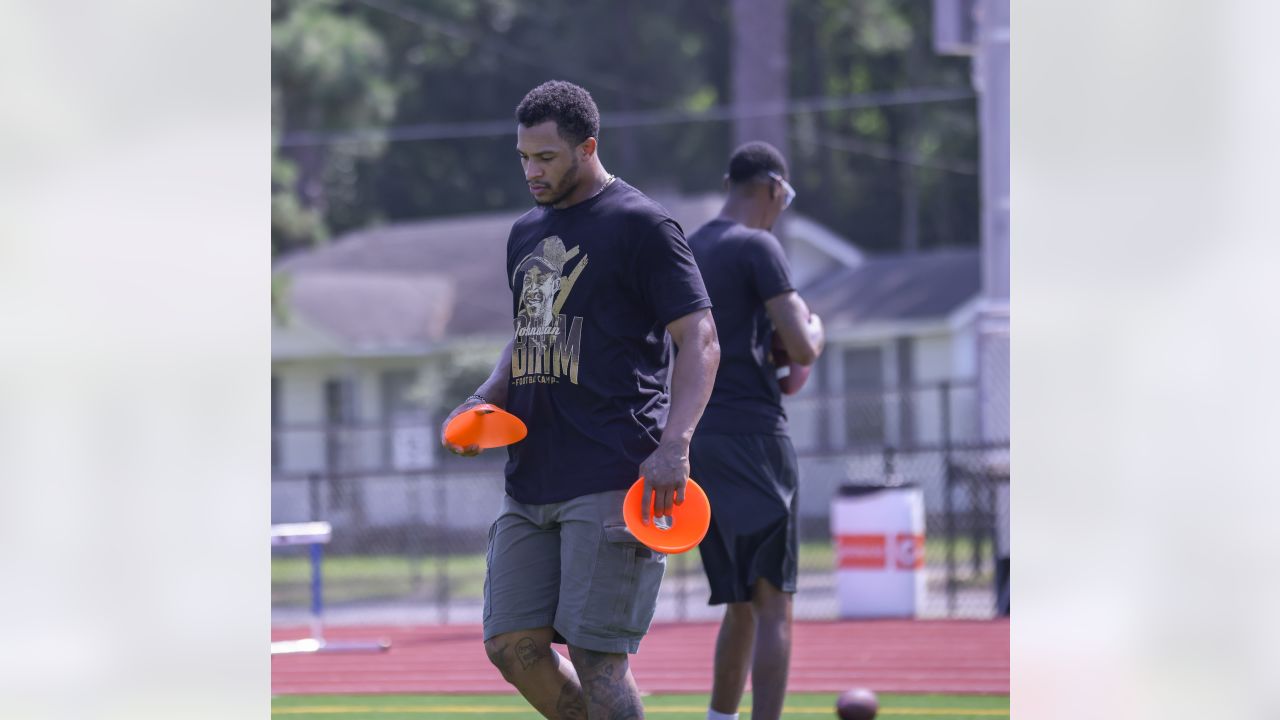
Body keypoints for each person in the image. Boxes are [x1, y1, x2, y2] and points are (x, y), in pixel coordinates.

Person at [440, 80, 721, 720]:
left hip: (614, 471)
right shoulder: (525, 232)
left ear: (587, 147)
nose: (531, 172)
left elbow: (699, 338)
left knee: (599, 659)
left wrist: (676, 444)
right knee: (512, 646)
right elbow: (528, 336)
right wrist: (482, 398)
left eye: (546, 157)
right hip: (530, 477)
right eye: (523, 158)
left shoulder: (643, 226)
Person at [684, 142, 825, 720]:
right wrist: (817, 329)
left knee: (738, 603)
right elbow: (799, 344)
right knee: (773, 604)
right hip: (755, 436)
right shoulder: (759, 245)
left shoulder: (687, 248)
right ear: (773, 189)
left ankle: (721, 719)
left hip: (696, 438)